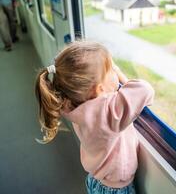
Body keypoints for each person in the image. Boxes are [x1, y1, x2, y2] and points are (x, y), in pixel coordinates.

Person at [35, 41, 154, 194]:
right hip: (115, 189)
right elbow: (145, 90)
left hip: (96, 180)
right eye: (111, 69)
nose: (115, 71)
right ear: (100, 89)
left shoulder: (71, 103)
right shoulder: (107, 113)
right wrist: (123, 78)